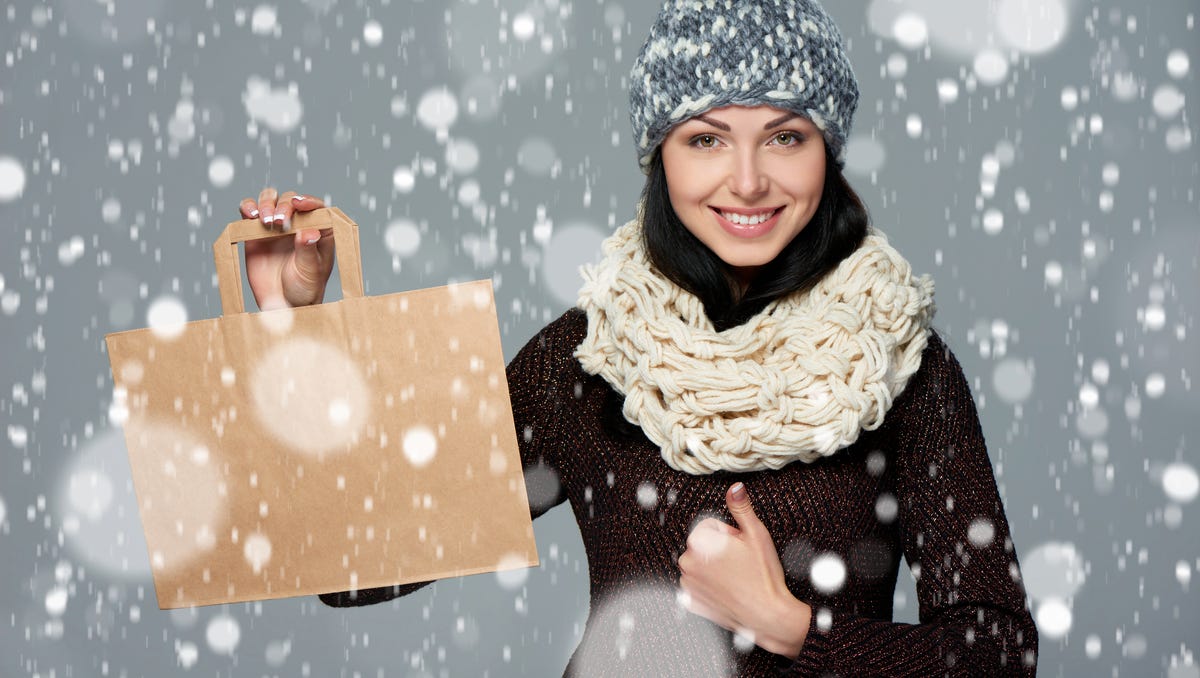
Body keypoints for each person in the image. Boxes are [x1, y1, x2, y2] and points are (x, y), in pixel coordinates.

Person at [234, 0, 1039, 674]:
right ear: (661, 156)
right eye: (706, 138)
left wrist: (792, 627)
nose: (749, 179)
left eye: (786, 136)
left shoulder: (903, 369)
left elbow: (999, 653)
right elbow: (358, 568)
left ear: (828, 149)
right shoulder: (593, 359)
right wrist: (291, 326)